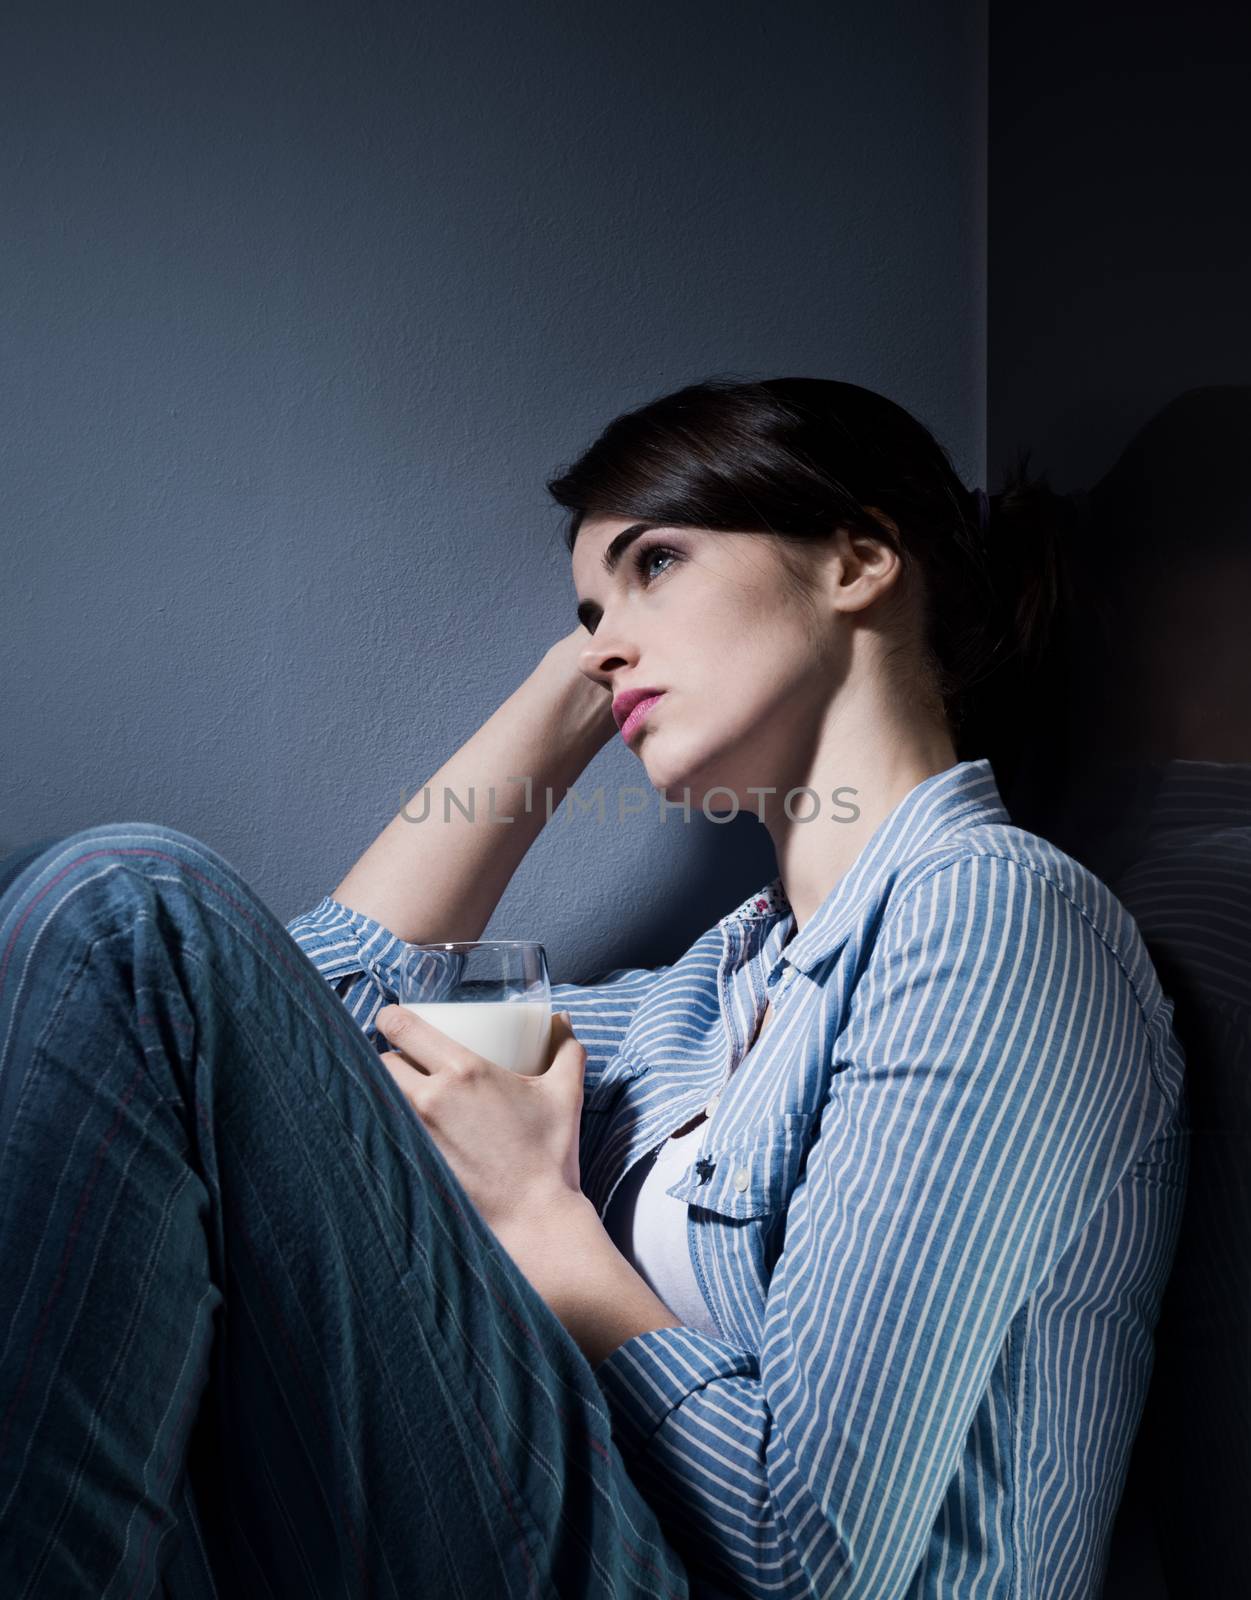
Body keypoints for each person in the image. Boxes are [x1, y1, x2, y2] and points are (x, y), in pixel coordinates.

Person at [0, 375, 1188, 1598]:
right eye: (584, 608)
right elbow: (239, 1047)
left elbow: (814, 1552)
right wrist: (577, 687)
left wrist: (538, 1215)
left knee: (129, 899)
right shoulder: (705, 994)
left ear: (859, 558)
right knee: (126, 928)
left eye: (657, 562)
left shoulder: (997, 916)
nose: (607, 636)